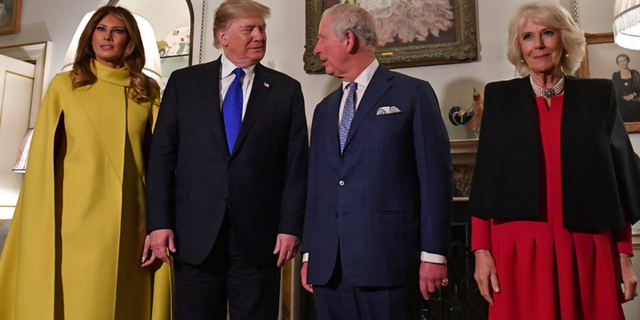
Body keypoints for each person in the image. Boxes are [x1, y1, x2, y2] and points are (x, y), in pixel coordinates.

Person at [469, 2, 640, 320]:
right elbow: (485, 182)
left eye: (547, 33)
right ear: (519, 48)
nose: (539, 44)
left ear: (564, 40)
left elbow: (618, 180)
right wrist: (481, 251)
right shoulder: (500, 99)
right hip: (517, 249)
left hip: (585, 246)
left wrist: (624, 255)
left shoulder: (598, 95)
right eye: (528, 37)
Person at [0, 6, 172, 320]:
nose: (107, 37)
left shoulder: (146, 92)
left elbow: (159, 164)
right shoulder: (64, 85)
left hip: (131, 223)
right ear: (90, 36)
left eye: (117, 31)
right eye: (100, 29)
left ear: (130, 40)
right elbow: (42, 162)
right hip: (72, 221)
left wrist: (158, 223)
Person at [145, 0, 308, 319]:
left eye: (262, 29)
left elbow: (296, 167)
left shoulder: (286, 90)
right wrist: (158, 223)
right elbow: (162, 158)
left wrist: (290, 227)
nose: (259, 36)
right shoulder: (183, 83)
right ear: (223, 36)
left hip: (260, 239)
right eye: (249, 29)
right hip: (194, 234)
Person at [300, 4, 453, 319]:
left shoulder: (413, 94)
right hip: (329, 271)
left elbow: (435, 180)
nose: (316, 49)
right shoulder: (324, 110)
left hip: (389, 267)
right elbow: (317, 189)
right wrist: (309, 255)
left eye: (322, 39)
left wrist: (434, 254)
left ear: (348, 40)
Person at [612, 53, 640, 122]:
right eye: (620, 62)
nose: (623, 63)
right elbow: (616, 89)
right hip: (622, 100)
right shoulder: (616, 75)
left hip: (634, 99)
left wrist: (633, 95)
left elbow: (639, 87)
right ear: (618, 63)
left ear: (628, 61)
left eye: (624, 60)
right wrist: (624, 97)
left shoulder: (635, 73)